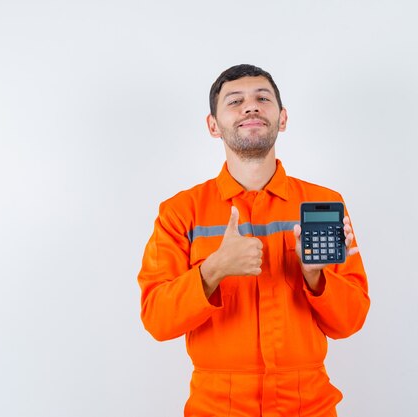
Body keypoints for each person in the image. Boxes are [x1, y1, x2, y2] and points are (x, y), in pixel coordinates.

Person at [137, 64, 370, 417]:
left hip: (309, 406)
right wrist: (213, 270)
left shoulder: (323, 204)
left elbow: (349, 322)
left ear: (283, 118)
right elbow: (157, 320)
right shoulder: (180, 213)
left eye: (263, 98)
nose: (251, 107)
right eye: (235, 101)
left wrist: (316, 277)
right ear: (213, 126)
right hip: (216, 408)